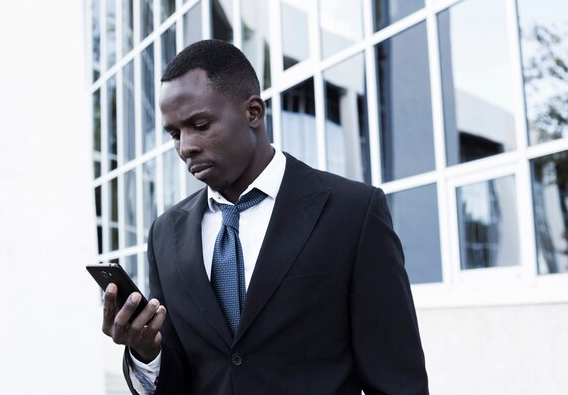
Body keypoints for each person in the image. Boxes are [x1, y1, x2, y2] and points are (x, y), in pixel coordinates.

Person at [101, 39, 429, 395]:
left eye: (200, 124)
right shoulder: (166, 234)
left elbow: (398, 380)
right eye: (175, 133)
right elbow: (180, 380)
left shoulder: (353, 213)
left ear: (253, 112)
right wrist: (146, 351)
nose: (185, 147)